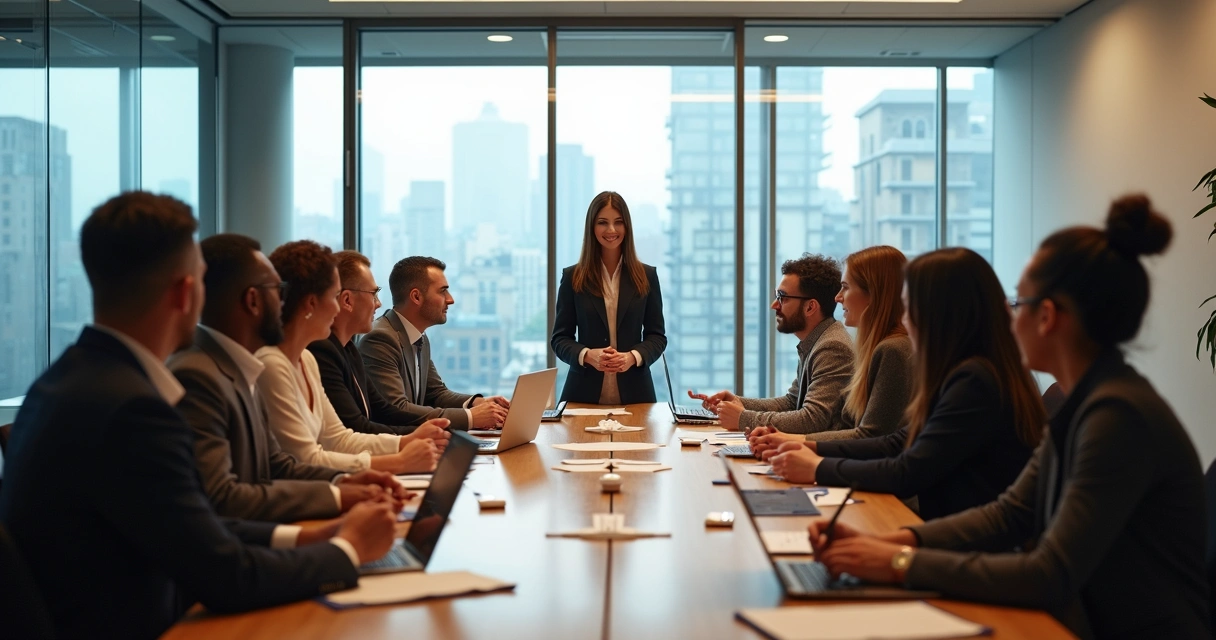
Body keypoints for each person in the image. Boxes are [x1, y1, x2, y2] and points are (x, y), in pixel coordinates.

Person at [807, 195, 1209, 640]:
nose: (1009, 316)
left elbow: (1049, 573)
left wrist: (901, 562)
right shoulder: (1087, 402)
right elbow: (1009, 514)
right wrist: (891, 543)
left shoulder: (1118, 417)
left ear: (1047, 316)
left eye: (1018, 302)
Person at [0, 192, 398, 639]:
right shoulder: (133, 410)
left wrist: (312, 536)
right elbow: (224, 574)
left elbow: (191, 526)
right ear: (187, 291)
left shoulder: (71, 382)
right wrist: (348, 550)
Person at [768, 247, 1044, 521]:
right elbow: (898, 441)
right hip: (945, 524)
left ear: (941, 312)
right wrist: (807, 446)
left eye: (910, 306)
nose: (904, 317)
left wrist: (817, 467)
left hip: (950, 528)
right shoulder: (965, 371)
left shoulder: (976, 380)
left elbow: (907, 470)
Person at [172, 234, 409, 522]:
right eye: (277, 290)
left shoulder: (241, 364)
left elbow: (278, 464)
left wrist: (345, 483)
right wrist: (338, 505)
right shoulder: (204, 373)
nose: (285, 301)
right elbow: (223, 501)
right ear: (253, 300)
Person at [256, 240, 444, 474]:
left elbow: (339, 438)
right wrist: (400, 461)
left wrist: (406, 442)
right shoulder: (273, 363)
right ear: (311, 303)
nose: (337, 309)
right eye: (333, 296)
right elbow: (305, 459)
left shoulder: (307, 359)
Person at [750, 246, 912, 455]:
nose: (837, 297)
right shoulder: (878, 347)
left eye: (845, 287)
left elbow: (871, 437)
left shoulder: (891, 349)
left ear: (873, 293)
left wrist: (790, 441)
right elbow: (794, 401)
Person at [693, 253, 853, 433]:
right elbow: (792, 402)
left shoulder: (832, 347)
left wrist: (742, 418)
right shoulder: (817, 340)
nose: (774, 305)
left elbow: (811, 420)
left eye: (782, 297)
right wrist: (738, 403)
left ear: (810, 307)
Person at [359, 256, 510, 430]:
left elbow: (435, 393)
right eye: (442, 291)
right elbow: (396, 409)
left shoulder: (419, 337)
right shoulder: (380, 339)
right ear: (416, 296)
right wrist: (471, 417)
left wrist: (476, 403)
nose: (450, 299)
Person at [309, 250, 441, 437]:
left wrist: (441, 427)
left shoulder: (349, 349)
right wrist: (421, 435)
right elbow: (356, 427)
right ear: (347, 300)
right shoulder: (322, 352)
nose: (378, 304)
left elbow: (384, 409)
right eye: (373, 294)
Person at [552, 191, 667, 404]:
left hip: (636, 395)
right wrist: (587, 355)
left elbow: (657, 337)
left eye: (618, 222)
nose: (611, 230)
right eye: (603, 222)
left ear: (627, 226)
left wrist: (631, 357)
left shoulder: (647, 276)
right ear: (592, 227)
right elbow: (559, 339)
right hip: (582, 395)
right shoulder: (573, 277)